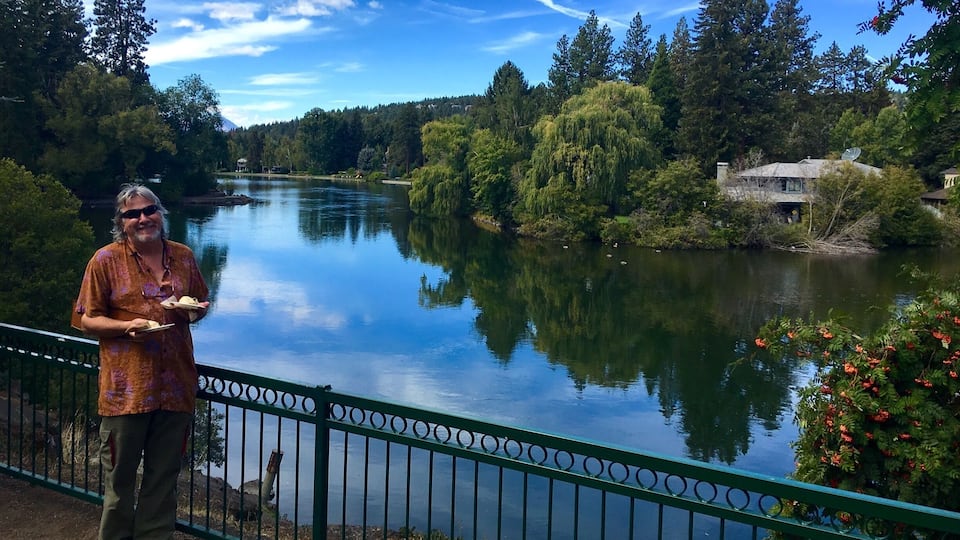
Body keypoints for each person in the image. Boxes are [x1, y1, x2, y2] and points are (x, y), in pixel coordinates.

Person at [73, 183, 210, 540]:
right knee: (119, 486)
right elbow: (86, 320)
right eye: (132, 214)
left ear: (160, 214)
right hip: (125, 393)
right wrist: (125, 327)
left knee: (163, 484)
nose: (143, 218)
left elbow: (200, 302)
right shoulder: (105, 260)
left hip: (176, 388)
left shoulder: (183, 256)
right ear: (121, 222)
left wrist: (193, 311)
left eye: (149, 210)